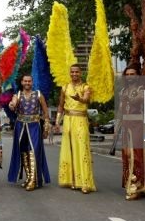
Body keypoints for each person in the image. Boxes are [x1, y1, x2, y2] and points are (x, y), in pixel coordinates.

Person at [54, 64, 95, 194]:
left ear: (80, 73)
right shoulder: (65, 87)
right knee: (69, 149)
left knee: (82, 149)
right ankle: (71, 180)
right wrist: (57, 122)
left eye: (76, 72)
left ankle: (85, 183)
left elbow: (87, 100)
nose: (74, 74)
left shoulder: (86, 87)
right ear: (69, 73)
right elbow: (61, 105)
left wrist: (80, 99)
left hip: (81, 120)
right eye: (72, 72)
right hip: (67, 120)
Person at [8, 74, 51, 191]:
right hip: (20, 126)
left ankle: (33, 179)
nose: (27, 83)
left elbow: (46, 112)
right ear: (21, 82)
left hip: (34, 126)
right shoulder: (17, 95)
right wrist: (11, 105)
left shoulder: (38, 94)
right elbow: (13, 103)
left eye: (29, 81)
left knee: (34, 151)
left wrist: (46, 127)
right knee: (23, 152)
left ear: (32, 82)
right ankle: (28, 178)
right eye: (25, 81)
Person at [118, 63, 145, 200]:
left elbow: (136, 101)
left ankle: (137, 186)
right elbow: (120, 110)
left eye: (133, 74)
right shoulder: (122, 91)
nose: (130, 77)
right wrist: (117, 126)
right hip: (126, 125)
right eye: (128, 74)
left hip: (138, 125)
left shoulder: (143, 90)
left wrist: (127, 99)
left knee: (137, 155)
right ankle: (131, 183)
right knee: (127, 155)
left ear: (138, 76)